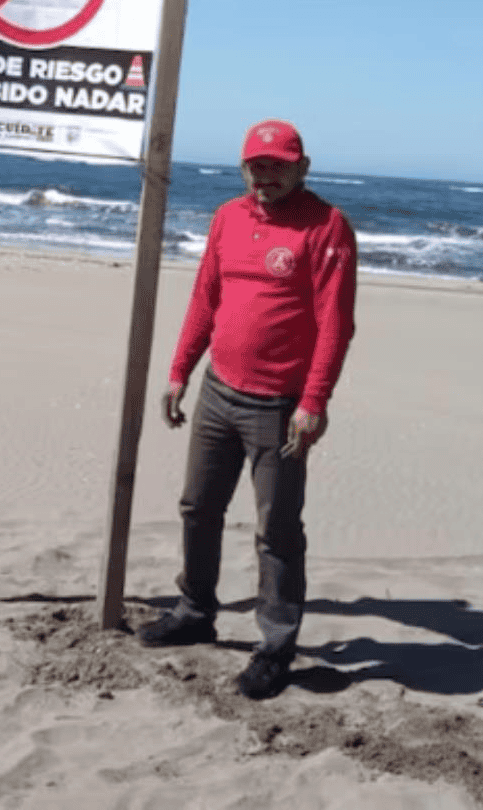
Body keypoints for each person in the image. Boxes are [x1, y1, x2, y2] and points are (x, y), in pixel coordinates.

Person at [138, 119, 357, 700]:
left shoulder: (327, 227)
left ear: (301, 167)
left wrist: (314, 402)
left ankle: (276, 646)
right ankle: (194, 610)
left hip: (280, 407)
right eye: (256, 166)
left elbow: (336, 326)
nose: (266, 176)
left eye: (278, 166)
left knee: (277, 530)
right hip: (218, 392)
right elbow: (205, 297)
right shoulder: (228, 218)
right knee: (198, 506)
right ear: (244, 169)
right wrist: (180, 370)